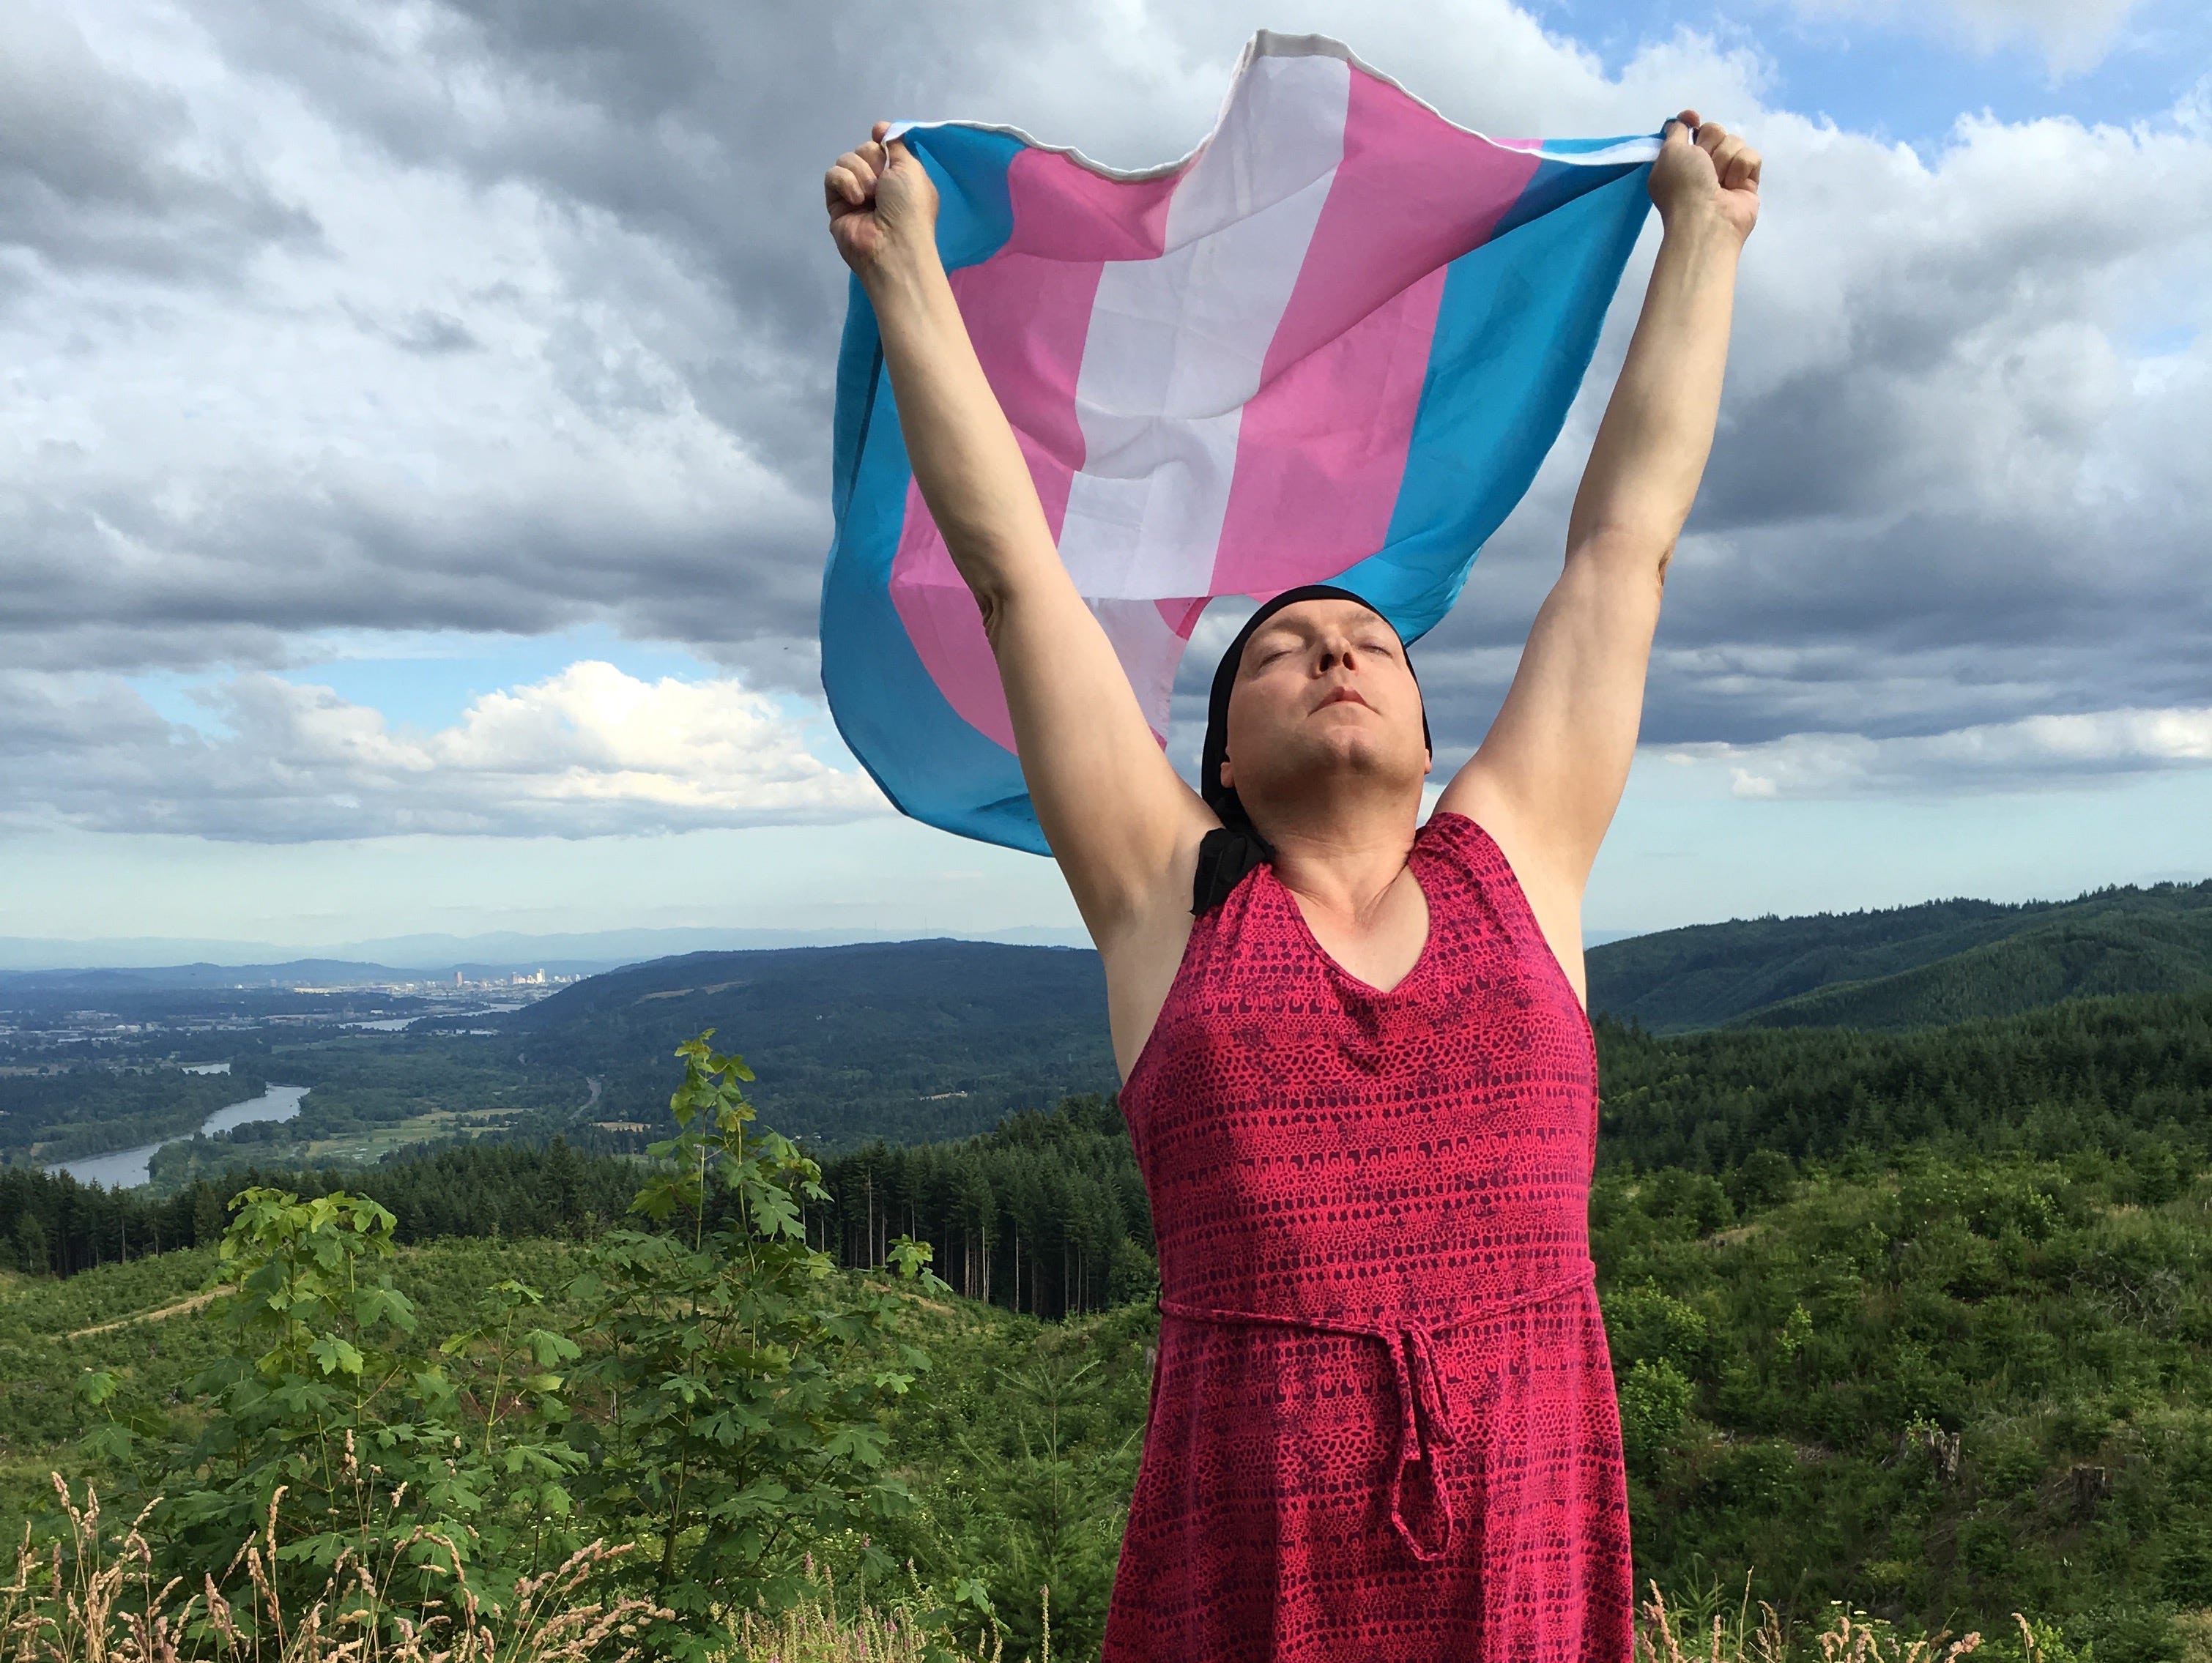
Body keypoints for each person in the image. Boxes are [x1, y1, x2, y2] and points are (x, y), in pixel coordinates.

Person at [827, 104, 1760, 1663]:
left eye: (1370, 645)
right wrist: (903, 267)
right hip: (1253, 1589)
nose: (1334, 649)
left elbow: (1620, 548)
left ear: (1422, 728)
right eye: (1280, 649)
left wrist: (1701, 245)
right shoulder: (1165, 896)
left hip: (1521, 1576)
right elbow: (1015, 572)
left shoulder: (1513, 856)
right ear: (1222, 769)